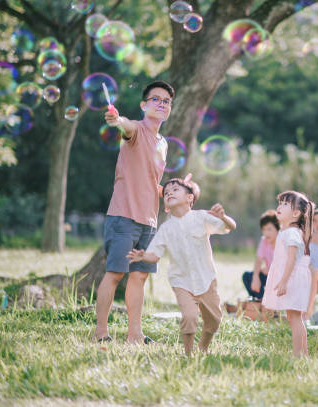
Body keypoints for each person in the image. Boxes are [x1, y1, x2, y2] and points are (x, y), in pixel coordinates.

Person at [93, 80, 174, 344]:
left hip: (149, 219)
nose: (162, 104)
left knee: (139, 276)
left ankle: (134, 335)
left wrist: (166, 190)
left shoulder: (163, 143)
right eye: (156, 99)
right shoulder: (137, 130)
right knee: (115, 273)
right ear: (143, 105)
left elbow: (148, 176)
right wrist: (116, 119)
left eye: (167, 101)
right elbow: (124, 125)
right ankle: (101, 332)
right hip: (124, 215)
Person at [127, 176, 236, 355]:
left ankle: (203, 347)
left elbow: (229, 227)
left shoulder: (201, 217)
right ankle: (188, 353)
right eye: (166, 193)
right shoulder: (166, 228)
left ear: (190, 198)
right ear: (166, 206)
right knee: (190, 317)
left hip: (206, 279)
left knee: (214, 321)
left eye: (175, 190)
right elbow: (154, 256)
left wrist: (223, 217)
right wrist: (143, 256)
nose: (169, 193)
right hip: (181, 281)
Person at [262, 191, 315, 357]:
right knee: (294, 317)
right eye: (281, 202)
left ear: (296, 213)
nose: (280, 206)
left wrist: (283, 281)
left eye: (285, 204)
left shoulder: (291, 233)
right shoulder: (288, 232)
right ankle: (302, 353)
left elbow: (292, 259)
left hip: (293, 279)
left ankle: (299, 354)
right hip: (292, 277)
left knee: (295, 318)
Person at [241, 210, 279, 300]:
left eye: (269, 229)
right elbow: (258, 261)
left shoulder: (282, 242)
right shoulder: (264, 241)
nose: (266, 233)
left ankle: (270, 303)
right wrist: (255, 276)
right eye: (264, 229)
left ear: (278, 229)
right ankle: (261, 301)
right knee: (247, 276)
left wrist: (271, 271)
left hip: (281, 278)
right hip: (269, 276)